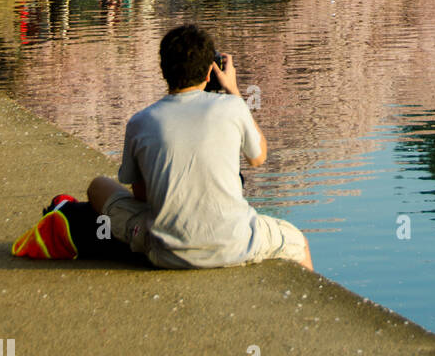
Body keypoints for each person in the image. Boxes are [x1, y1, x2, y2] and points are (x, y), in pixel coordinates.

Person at [86, 24, 312, 272]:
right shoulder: (232, 106)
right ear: (208, 74)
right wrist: (233, 90)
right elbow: (258, 157)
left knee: (98, 187)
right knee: (298, 242)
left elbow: (141, 196)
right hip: (238, 244)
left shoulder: (140, 122)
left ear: (163, 70)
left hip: (165, 252)